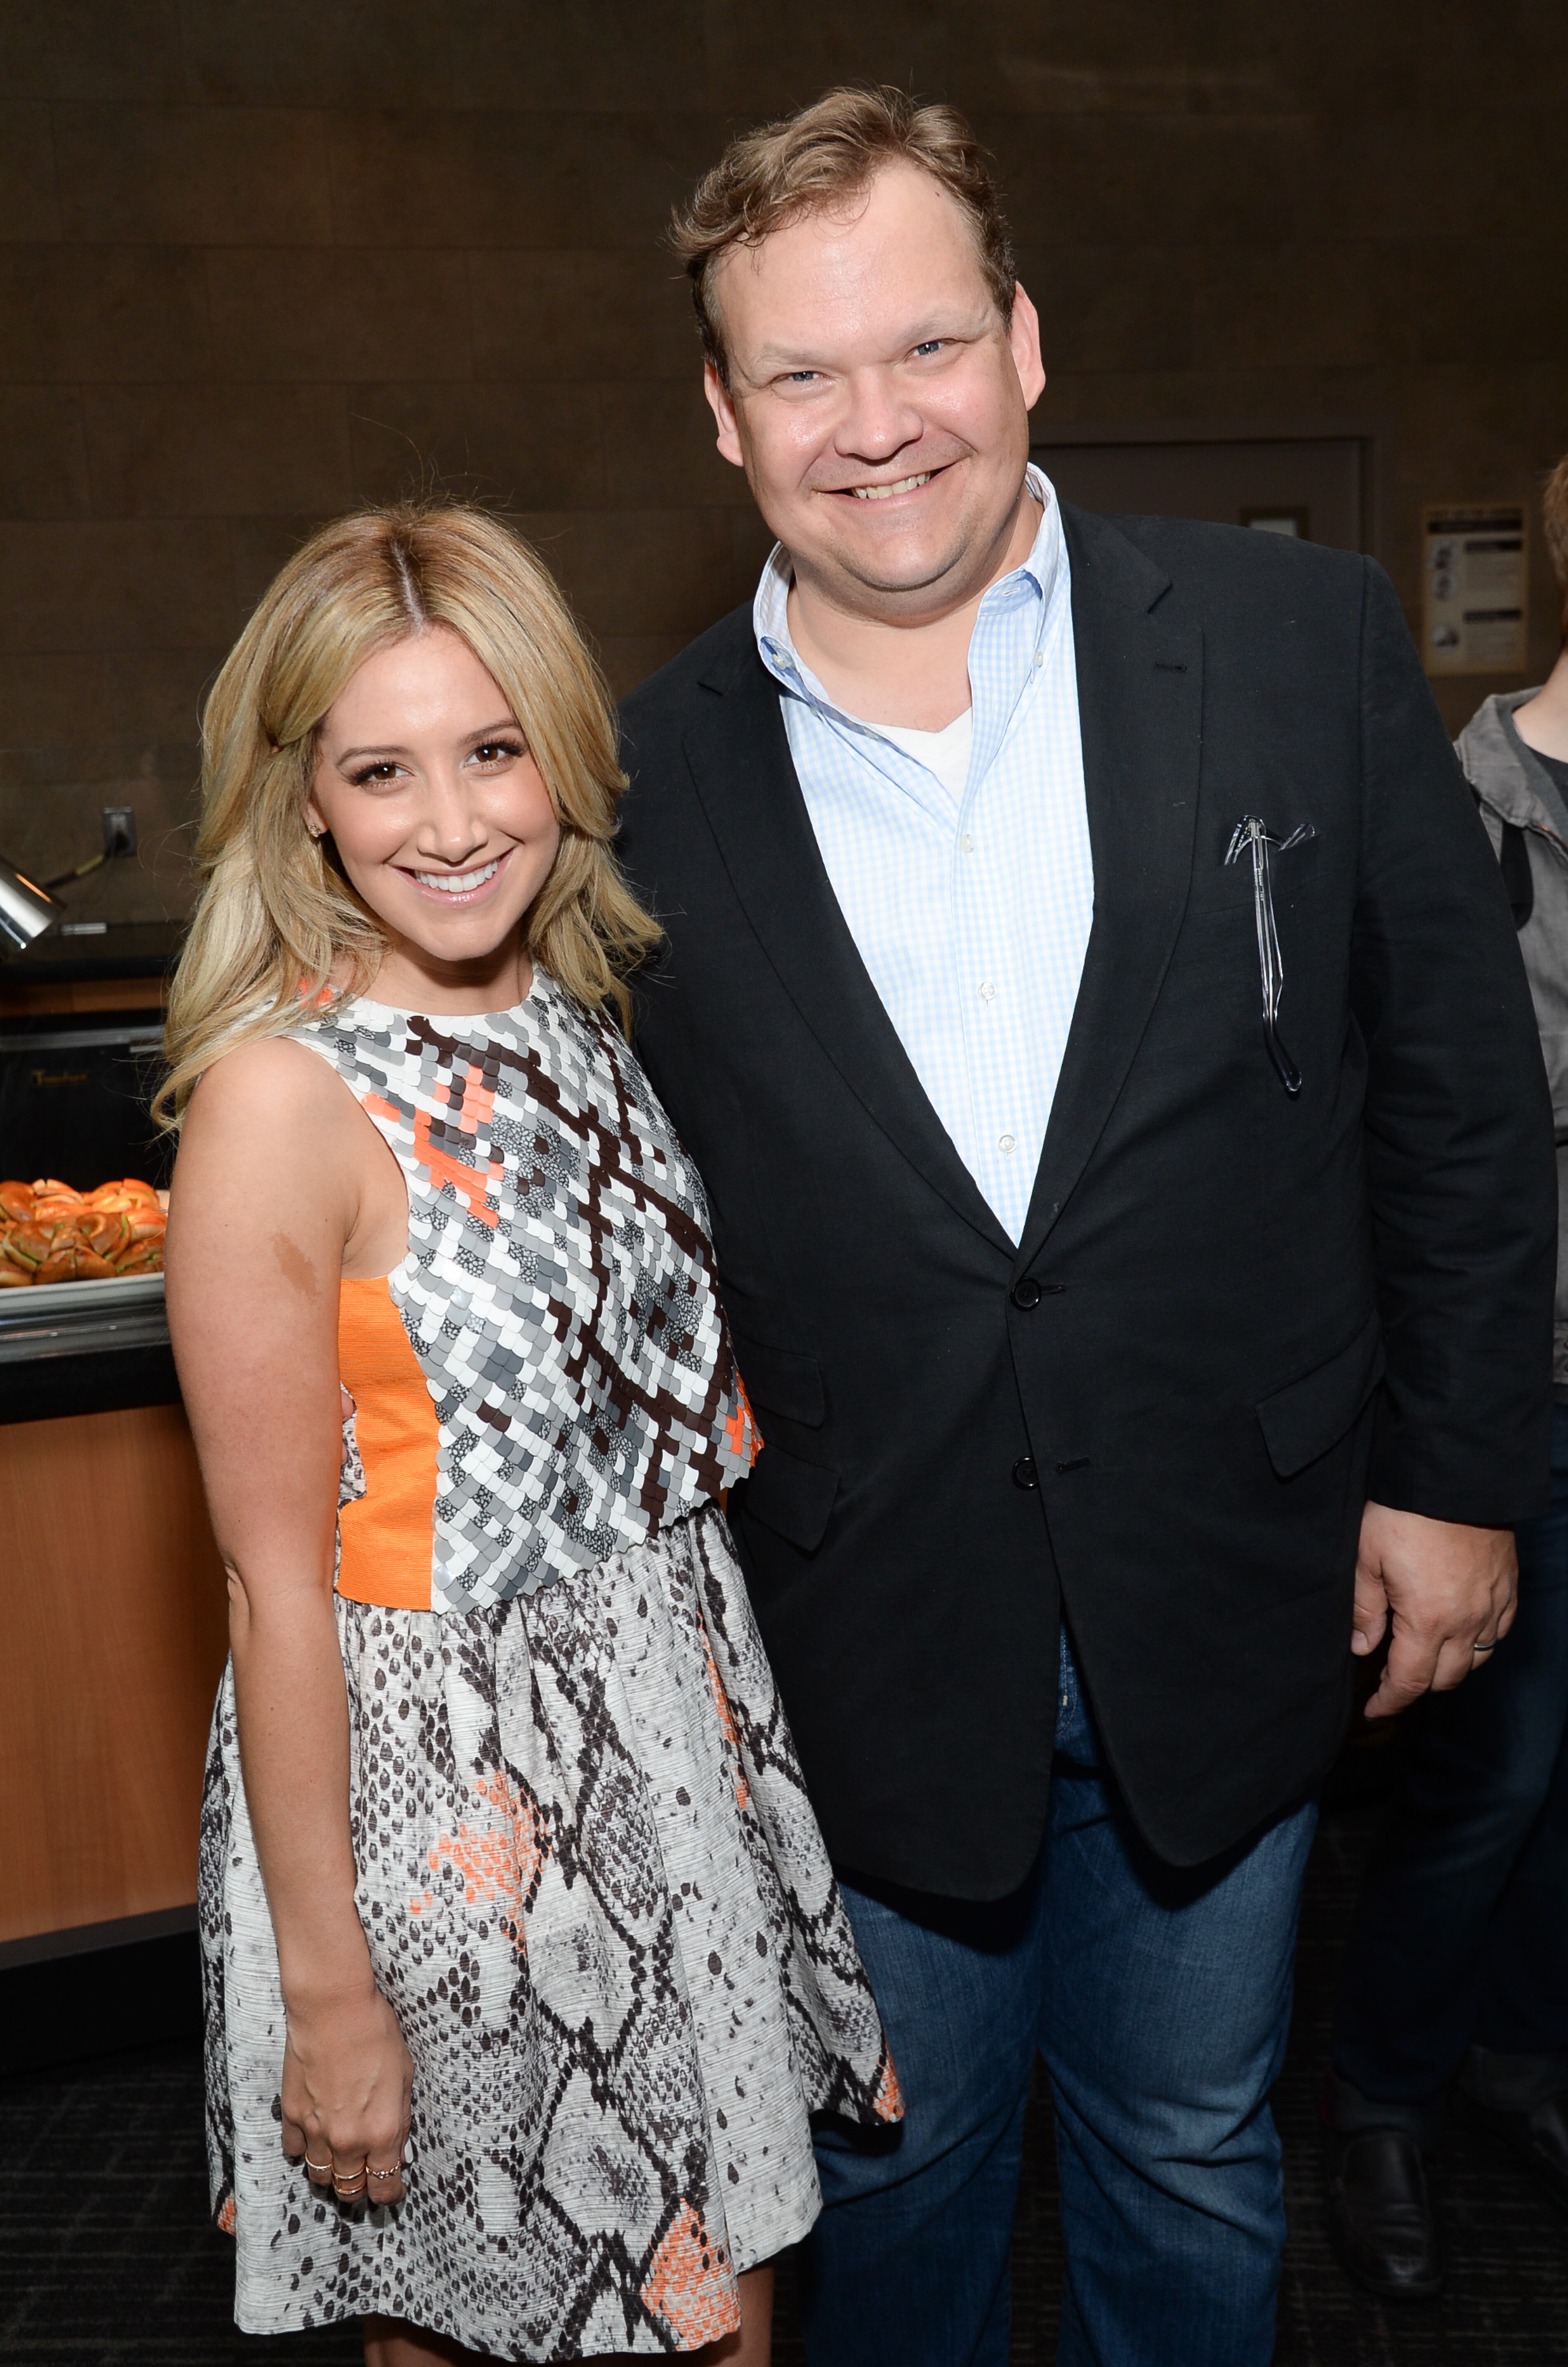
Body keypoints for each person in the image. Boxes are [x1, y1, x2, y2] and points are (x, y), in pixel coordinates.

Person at [614, 85, 1556, 2367]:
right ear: (726, 417)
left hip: (1239, 1588)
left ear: (1025, 343)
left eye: (923, 344)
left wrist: (1453, 1477)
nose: (877, 426)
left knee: (1193, 2150)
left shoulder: (1296, 640)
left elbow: (1457, 1094)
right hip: (855, 1626)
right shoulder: (629, 776)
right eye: (806, 376)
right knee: (894, 2178)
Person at [161, 504, 898, 2367]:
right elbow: (270, 1585)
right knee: (485, 2327)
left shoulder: (579, 1011)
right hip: (444, 1803)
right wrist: (331, 1984)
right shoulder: (279, 1099)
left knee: (724, 2314)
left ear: (565, 751)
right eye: (381, 769)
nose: (453, 818)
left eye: (493, 749)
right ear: (303, 798)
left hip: (667, 1748)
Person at [1326, 438, 1568, 2299]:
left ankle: (1523, 2054)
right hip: (1536, 1385)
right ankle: (1385, 2100)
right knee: (1487, 1775)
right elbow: (1455, 1110)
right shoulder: (1474, 802)